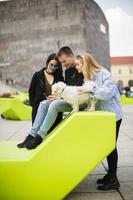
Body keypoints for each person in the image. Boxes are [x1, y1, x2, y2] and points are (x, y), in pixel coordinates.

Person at [17, 46, 84, 149]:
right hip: (62, 101)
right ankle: (32, 135)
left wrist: (59, 98)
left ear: (71, 55)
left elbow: (76, 91)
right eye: (61, 63)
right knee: (44, 103)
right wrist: (58, 97)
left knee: (54, 104)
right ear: (47, 63)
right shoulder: (65, 72)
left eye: (64, 61)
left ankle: (40, 136)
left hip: (77, 101)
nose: (63, 64)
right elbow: (66, 90)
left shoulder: (80, 68)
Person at [75, 52, 122, 191]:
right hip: (103, 117)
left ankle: (113, 179)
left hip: (113, 116)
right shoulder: (88, 77)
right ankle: (110, 175)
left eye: (78, 65)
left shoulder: (104, 74)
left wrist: (92, 88)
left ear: (85, 63)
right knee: (106, 146)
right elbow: (91, 97)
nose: (77, 68)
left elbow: (107, 93)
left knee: (110, 146)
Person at [17, 53, 64, 148]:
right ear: (47, 63)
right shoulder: (38, 75)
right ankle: (29, 139)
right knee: (36, 129)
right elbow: (31, 91)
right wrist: (34, 104)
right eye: (51, 64)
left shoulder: (59, 77)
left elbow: (63, 91)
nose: (53, 67)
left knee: (49, 134)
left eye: (55, 66)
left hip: (53, 108)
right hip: (39, 107)